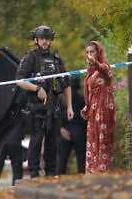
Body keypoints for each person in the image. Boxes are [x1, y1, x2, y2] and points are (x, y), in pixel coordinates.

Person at [16, 25, 74, 178]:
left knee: (53, 143)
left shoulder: (56, 60)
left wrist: (69, 107)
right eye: (42, 39)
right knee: (35, 142)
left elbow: (66, 83)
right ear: (36, 40)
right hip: (37, 108)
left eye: (47, 39)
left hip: (54, 108)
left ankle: (50, 174)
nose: (45, 42)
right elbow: (19, 81)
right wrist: (36, 89)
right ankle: (34, 174)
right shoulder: (31, 58)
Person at [81, 41, 115, 173]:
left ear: (98, 52)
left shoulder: (104, 68)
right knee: (92, 140)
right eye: (87, 52)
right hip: (93, 111)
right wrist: (86, 106)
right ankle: (92, 172)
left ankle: (104, 173)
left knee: (103, 140)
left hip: (104, 109)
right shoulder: (90, 72)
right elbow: (90, 92)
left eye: (92, 52)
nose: (89, 55)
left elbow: (106, 72)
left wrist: (95, 62)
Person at [56, 77, 87, 175]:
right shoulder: (82, 99)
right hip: (80, 131)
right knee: (81, 160)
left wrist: (60, 129)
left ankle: (59, 180)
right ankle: (82, 179)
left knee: (62, 161)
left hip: (65, 130)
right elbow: (86, 117)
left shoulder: (62, 100)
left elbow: (57, 116)